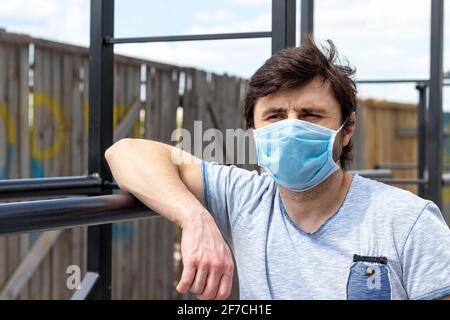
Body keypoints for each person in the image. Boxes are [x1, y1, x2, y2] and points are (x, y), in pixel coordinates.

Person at [105, 38, 450, 300]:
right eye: (274, 116)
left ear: (347, 129)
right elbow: (126, 152)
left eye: (310, 115)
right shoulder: (244, 197)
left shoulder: (408, 220)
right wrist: (195, 218)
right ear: (254, 133)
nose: (291, 128)